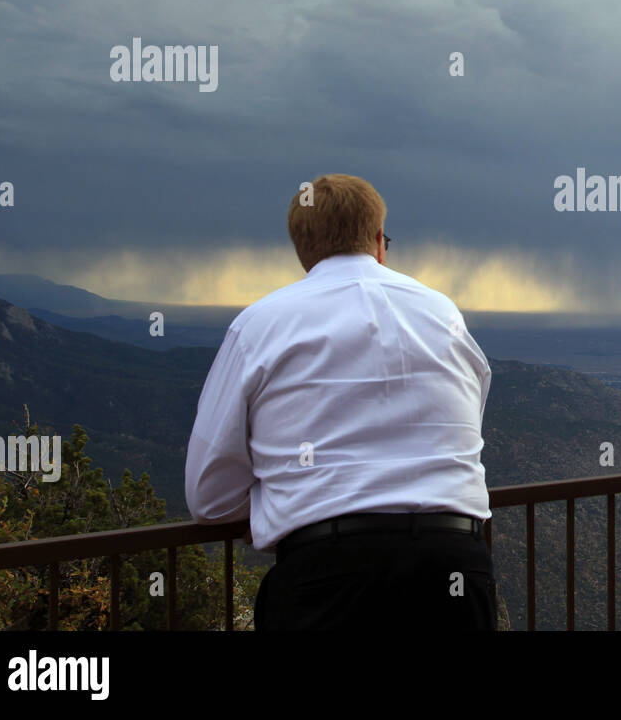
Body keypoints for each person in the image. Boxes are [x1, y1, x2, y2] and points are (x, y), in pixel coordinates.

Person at [184, 173, 496, 630]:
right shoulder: (442, 312)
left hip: (328, 578)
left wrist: (278, 498)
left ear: (301, 249)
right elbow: (466, 424)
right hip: (456, 568)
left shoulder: (260, 325)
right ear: (377, 241)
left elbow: (208, 498)